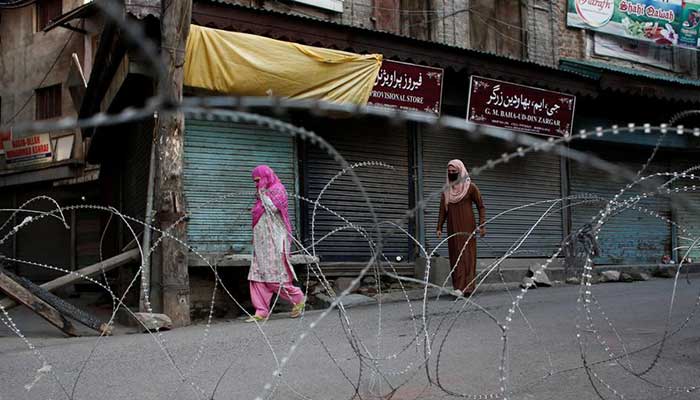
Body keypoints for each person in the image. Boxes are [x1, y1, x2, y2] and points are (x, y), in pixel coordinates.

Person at [247, 165, 305, 322]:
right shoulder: (260, 194)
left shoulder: (278, 189)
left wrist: (263, 191)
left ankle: (298, 297)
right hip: (261, 242)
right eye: (255, 181)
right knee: (257, 275)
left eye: (259, 180)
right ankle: (261, 310)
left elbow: (273, 208)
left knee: (273, 273)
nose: (257, 184)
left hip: (275, 239)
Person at [436, 159, 486, 296]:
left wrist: (482, 225)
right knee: (455, 256)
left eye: (455, 172)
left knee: (468, 255)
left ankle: (468, 287)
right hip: (452, 228)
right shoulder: (446, 190)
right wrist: (439, 227)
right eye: (450, 172)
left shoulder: (471, 187)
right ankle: (458, 287)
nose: (452, 174)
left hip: (468, 227)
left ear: (461, 171)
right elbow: (443, 211)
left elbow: (481, 206)